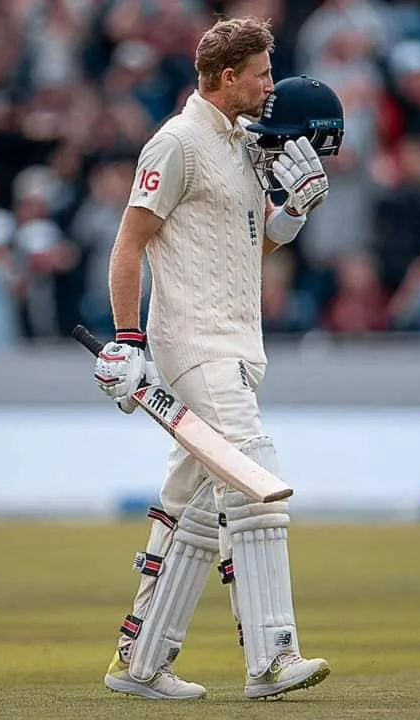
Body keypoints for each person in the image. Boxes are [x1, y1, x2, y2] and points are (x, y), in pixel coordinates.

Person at [93, 17, 344, 701]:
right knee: (254, 475)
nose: (271, 85)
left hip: (236, 343)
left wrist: (289, 214)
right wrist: (128, 340)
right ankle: (271, 657)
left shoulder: (239, 145)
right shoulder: (176, 143)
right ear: (227, 76)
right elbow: (129, 243)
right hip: (193, 343)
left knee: (196, 507)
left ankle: (140, 663)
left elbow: (242, 247)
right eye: (262, 73)